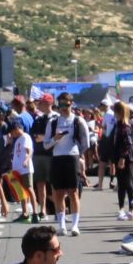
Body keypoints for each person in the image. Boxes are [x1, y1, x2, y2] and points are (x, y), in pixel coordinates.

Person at [45, 93, 87, 237]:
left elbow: (86, 143)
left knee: (73, 192)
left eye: (66, 105)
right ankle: (62, 226)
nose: (63, 108)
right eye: (61, 105)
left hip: (72, 158)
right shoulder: (53, 122)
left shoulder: (78, 120)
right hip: (57, 158)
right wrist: (55, 139)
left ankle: (75, 226)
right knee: (58, 193)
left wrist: (77, 154)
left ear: (71, 104)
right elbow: (45, 145)